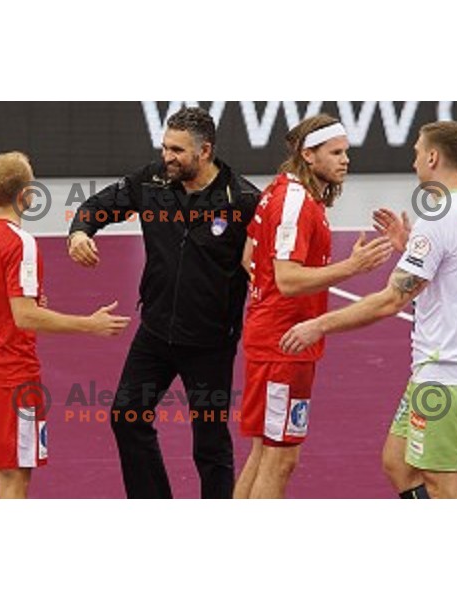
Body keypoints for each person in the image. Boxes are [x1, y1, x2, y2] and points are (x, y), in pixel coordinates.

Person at [280, 121, 457, 499]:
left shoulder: (439, 216)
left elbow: (390, 300)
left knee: (448, 489)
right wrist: (411, 247)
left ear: (433, 157)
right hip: (440, 368)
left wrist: (319, 324)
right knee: (398, 462)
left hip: (446, 374)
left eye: (417, 151)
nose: (414, 159)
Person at [68, 107, 261, 499]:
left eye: (177, 150)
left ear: (204, 151)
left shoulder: (242, 200)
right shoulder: (151, 181)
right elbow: (94, 208)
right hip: (154, 334)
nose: (167, 157)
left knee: (209, 444)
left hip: (210, 344)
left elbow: (267, 266)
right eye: (164, 147)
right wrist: (80, 233)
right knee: (126, 418)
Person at [0, 152, 131, 500]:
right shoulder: (18, 243)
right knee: (14, 475)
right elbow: (25, 316)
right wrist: (89, 324)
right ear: (25, 195)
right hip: (6, 376)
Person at [234, 114, 394, 499]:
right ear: (308, 154)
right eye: (335, 152)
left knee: (263, 453)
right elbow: (288, 279)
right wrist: (351, 267)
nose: (345, 160)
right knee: (281, 460)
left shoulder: (281, 191)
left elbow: (249, 257)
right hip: (284, 346)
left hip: (274, 338)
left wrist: (270, 299)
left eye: (346, 152)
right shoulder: (297, 203)